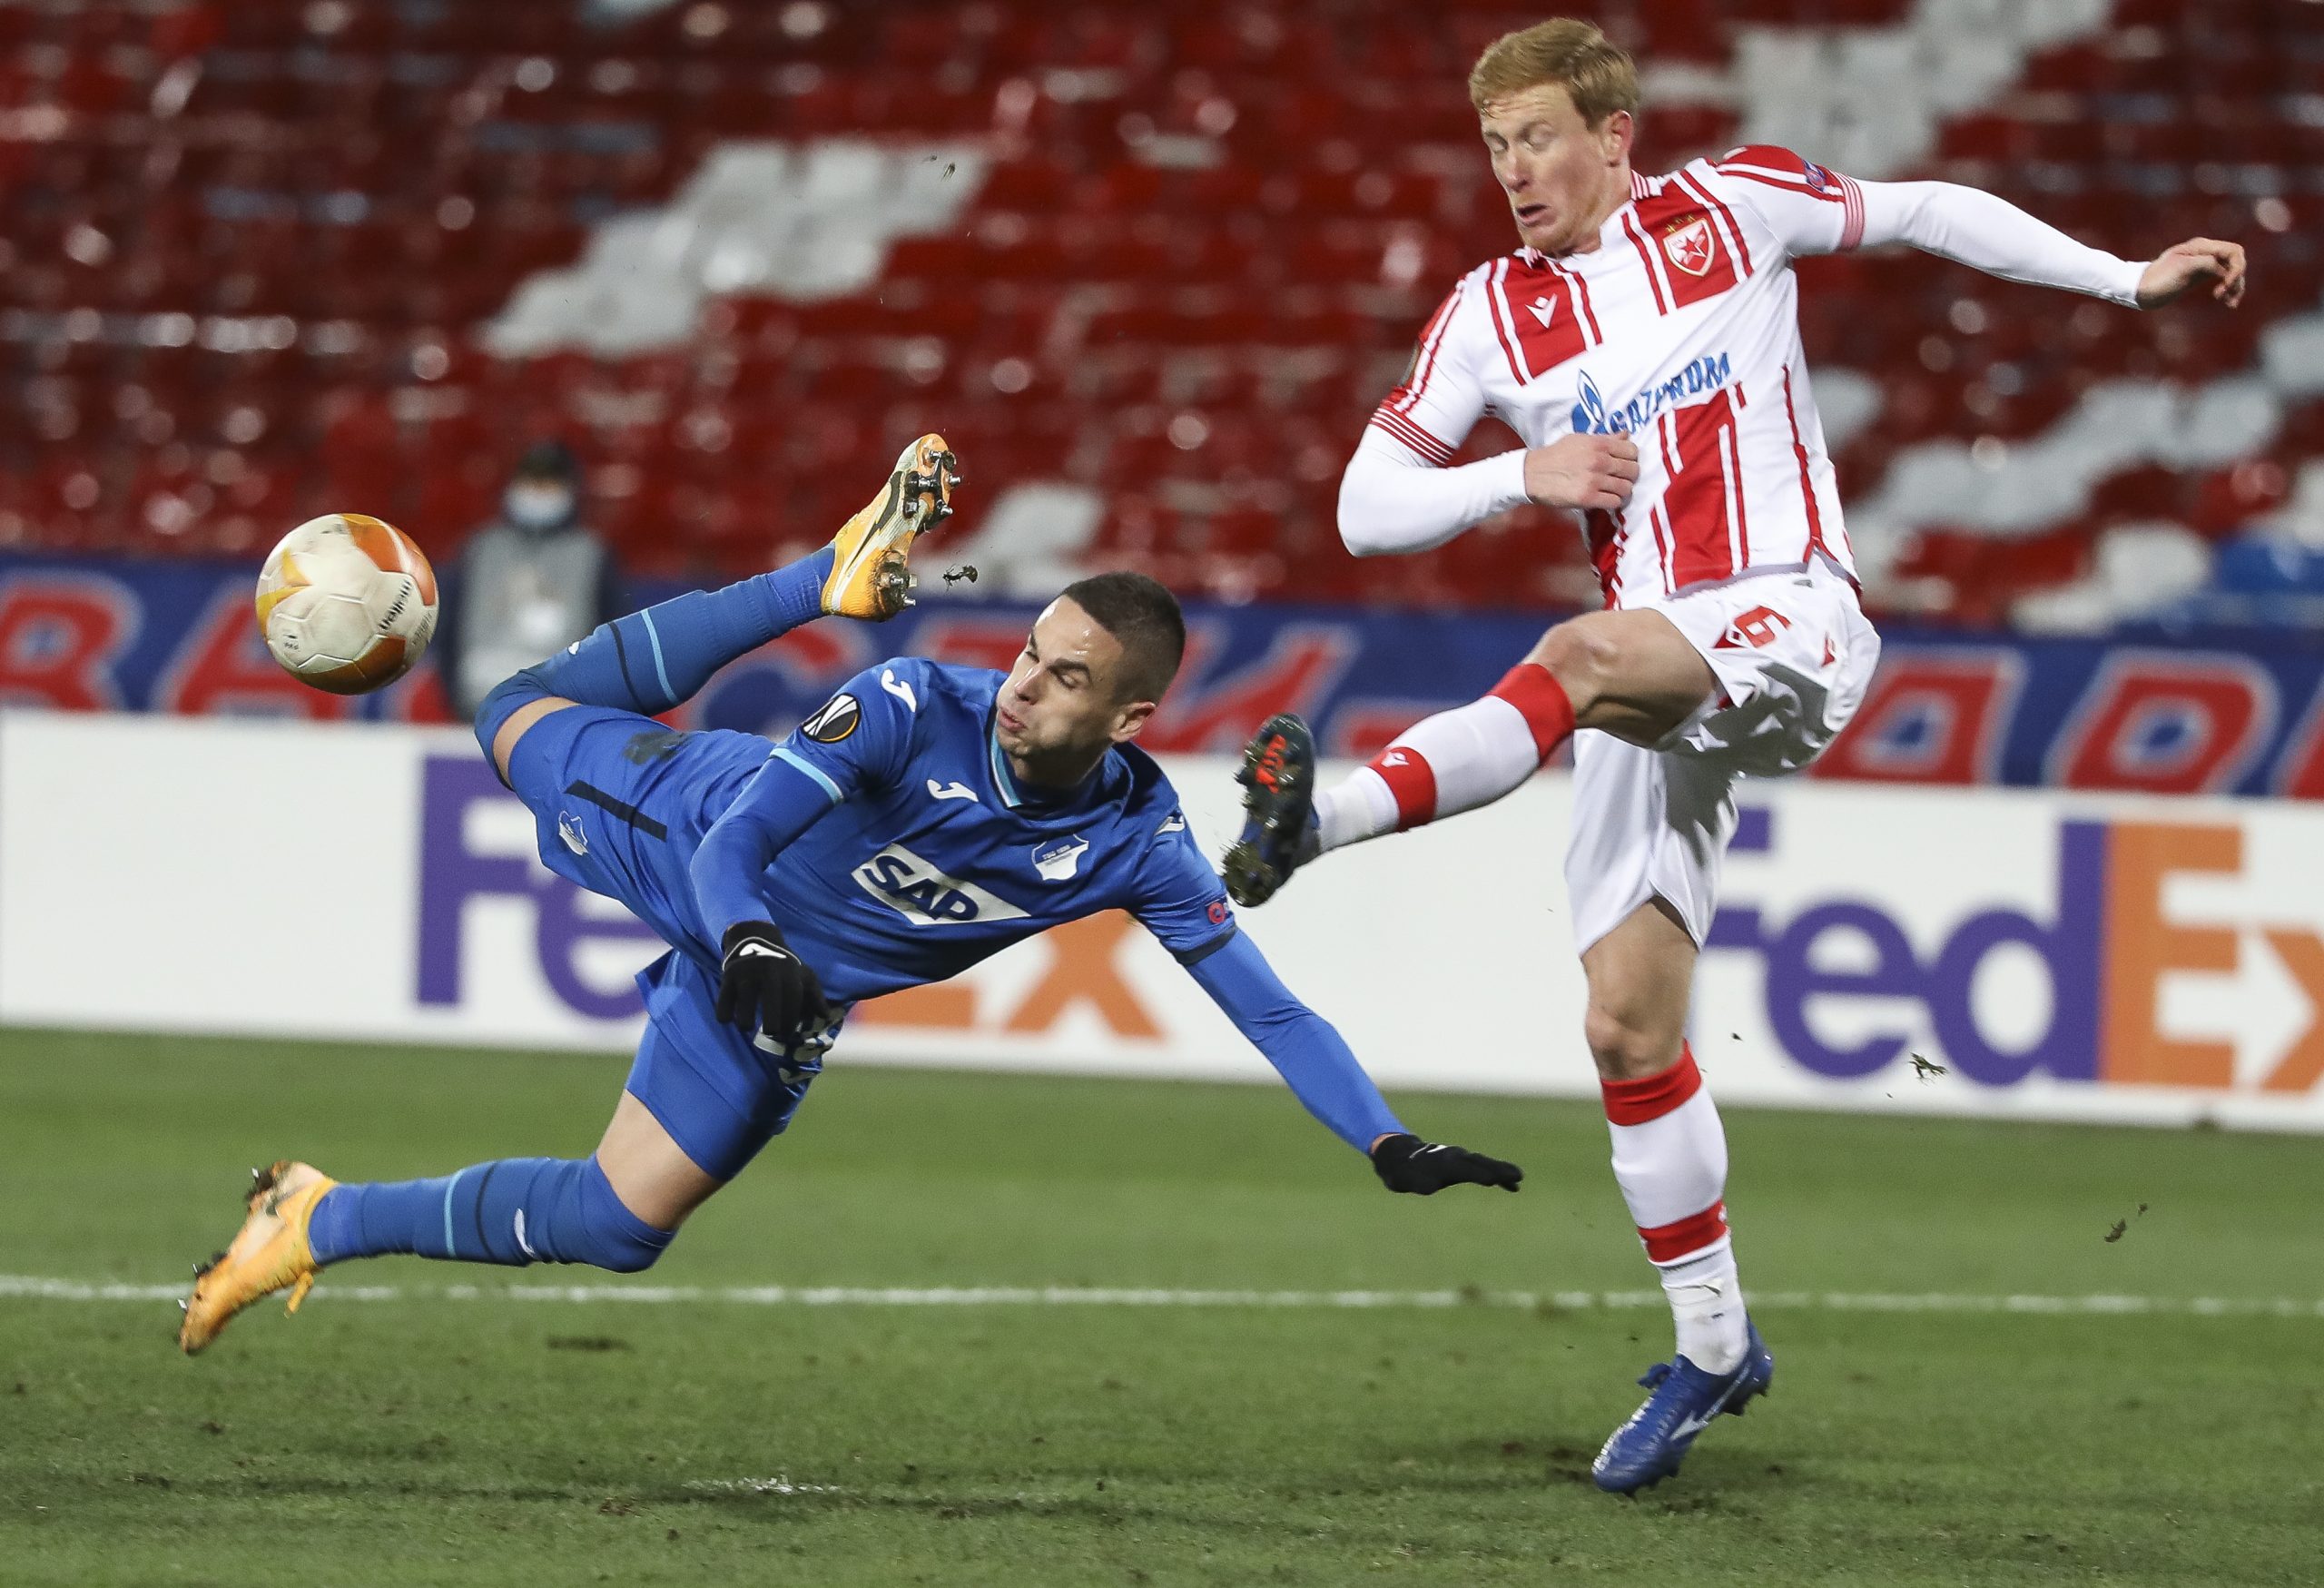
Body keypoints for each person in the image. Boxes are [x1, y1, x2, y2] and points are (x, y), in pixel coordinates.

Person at [1222, 19, 2247, 1494]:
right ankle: (1714, 1342)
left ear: (1616, 133)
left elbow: (1925, 211)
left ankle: (1309, 824)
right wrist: (1522, 470)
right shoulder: (1492, 314)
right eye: (1496, 144)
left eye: (1540, 137)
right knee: (1625, 1026)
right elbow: (1366, 504)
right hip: (1658, 666)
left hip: (1787, 618)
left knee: (1574, 662)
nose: (1514, 170)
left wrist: (2122, 274)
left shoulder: (1731, 203)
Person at [178, 435, 1522, 1356]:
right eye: (1031, 653)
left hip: (782, 988)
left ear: (1132, 716)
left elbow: (1271, 1014)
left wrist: (1384, 1141)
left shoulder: (1136, 842)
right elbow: (737, 849)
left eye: (1065, 680)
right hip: (689, 827)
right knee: (512, 708)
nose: (1024, 683)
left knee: (619, 1223)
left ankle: (317, 1214)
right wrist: (752, 934)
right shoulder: (905, 702)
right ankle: (812, 581)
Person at [438, 439, 627, 720]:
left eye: (549, 483)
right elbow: (451, 629)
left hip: (558, 713)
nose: (538, 492)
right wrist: (455, 697)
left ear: (570, 489)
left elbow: (611, 636)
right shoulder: (481, 548)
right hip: (477, 707)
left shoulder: (592, 555)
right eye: (531, 481)